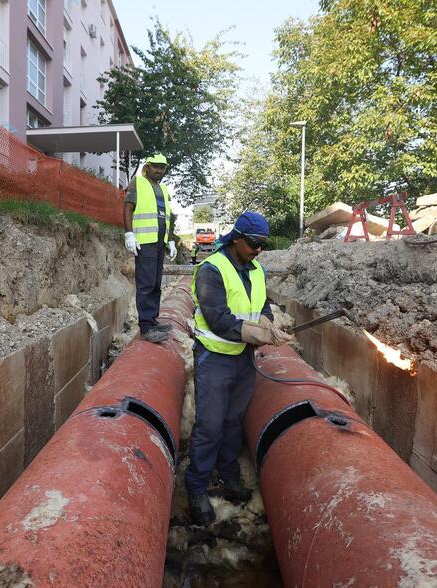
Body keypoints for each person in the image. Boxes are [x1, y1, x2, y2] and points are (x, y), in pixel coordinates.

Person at [185, 211, 292, 526]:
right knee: (210, 425)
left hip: (243, 358)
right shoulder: (212, 270)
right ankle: (196, 486)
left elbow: (260, 307)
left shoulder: (257, 269)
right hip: (215, 357)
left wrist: (270, 325)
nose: (258, 250)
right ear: (236, 238)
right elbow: (218, 319)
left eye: (263, 244)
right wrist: (259, 333)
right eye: (254, 243)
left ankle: (229, 475)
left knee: (233, 421)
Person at [123, 153, 178, 343]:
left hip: (159, 243)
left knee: (156, 284)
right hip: (144, 241)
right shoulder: (137, 182)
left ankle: (152, 320)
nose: (160, 170)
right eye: (156, 166)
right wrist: (129, 233)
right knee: (146, 284)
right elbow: (128, 207)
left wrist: (170, 240)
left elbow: (168, 217)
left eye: (162, 167)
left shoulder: (163, 188)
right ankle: (146, 326)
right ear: (147, 167)